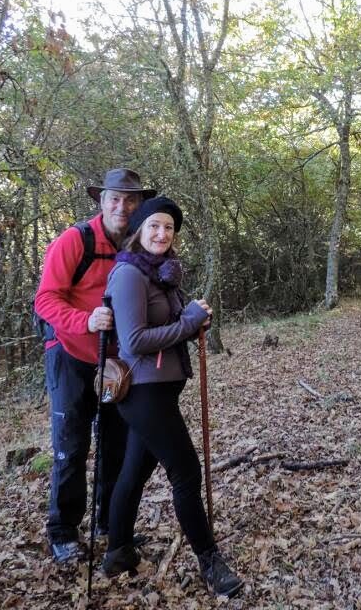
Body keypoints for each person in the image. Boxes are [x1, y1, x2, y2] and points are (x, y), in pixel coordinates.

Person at [102, 195, 243, 598]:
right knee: (186, 473)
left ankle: (118, 551)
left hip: (159, 391)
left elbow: (172, 323)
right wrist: (188, 323)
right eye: (154, 226)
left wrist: (194, 321)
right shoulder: (130, 274)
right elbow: (134, 340)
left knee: (135, 471)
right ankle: (210, 562)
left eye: (168, 228)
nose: (162, 234)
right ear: (139, 231)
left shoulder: (162, 274)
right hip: (143, 393)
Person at [34, 168, 156, 564]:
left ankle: (110, 523)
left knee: (115, 445)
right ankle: (63, 531)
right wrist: (84, 321)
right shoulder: (75, 240)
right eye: (114, 199)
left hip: (117, 363)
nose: (122, 206)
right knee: (71, 446)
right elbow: (45, 299)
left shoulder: (140, 244)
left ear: (139, 204)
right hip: (70, 355)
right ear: (101, 201)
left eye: (130, 199)